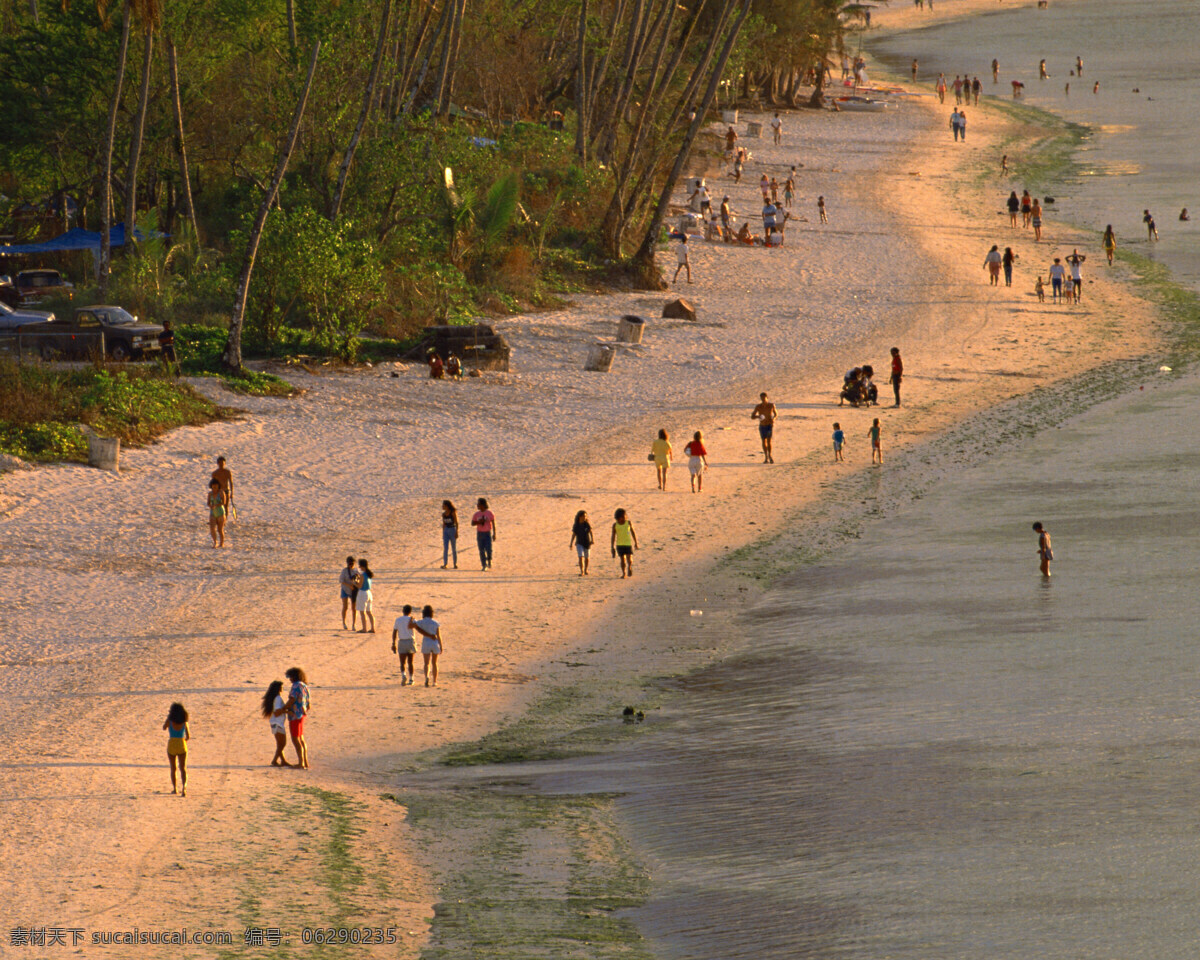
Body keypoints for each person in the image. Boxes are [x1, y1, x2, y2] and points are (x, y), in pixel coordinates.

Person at [284, 667, 310, 768]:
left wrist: (283, 708)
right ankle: (305, 762)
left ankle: (301, 763)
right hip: (302, 715)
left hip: (294, 715)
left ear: (294, 676)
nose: (289, 679)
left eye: (289, 677)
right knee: (301, 738)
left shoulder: (295, 686)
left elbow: (291, 700)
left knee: (295, 739)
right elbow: (309, 704)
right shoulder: (305, 686)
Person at [261, 680, 291, 766]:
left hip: (274, 723)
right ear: (278, 688)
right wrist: (287, 712)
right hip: (278, 723)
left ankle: (283, 760)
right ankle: (274, 760)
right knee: (282, 743)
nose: (283, 688)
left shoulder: (274, 698)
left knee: (279, 743)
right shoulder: (277, 698)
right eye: (281, 687)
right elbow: (277, 712)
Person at [163, 702, 190, 796]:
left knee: (173, 768)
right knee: (183, 768)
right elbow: (188, 736)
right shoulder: (184, 722)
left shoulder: (170, 721)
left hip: (172, 745)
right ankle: (184, 788)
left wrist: (168, 718)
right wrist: (184, 740)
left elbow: (164, 728)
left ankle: (175, 789)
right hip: (181, 744)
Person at [413, 605, 443, 686]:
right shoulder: (435, 623)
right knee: (434, 663)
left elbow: (414, 623)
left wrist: (413, 618)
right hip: (434, 643)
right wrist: (441, 646)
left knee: (426, 663)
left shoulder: (421, 622)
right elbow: (439, 636)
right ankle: (434, 681)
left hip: (426, 642)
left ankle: (427, 677)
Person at [392, 604, 417, 685]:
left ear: (403, 611)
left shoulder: (398, 620)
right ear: (410, 611)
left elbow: (395, 632)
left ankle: (403, 675)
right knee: (411, 662)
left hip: (402, 641)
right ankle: (411, 679)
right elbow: (417, 627)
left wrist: (393, 643)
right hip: (410, 641)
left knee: (402, 662)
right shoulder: (412, 619)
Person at [611, 508, 639, 579]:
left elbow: (633, 533)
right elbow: (613, 536)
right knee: (622, 560)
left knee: (629, 559)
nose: (624, 518)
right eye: (622, 517)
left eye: (625, 516)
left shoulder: (628, 523)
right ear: (618, 518)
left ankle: (629, 567)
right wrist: (612, 547)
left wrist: (636, 542)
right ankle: (624, 573)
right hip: (619, 545)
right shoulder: (615, 525)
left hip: (628, 544)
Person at [751, 392, 777, 463]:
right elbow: (752, 416)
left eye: (764, 398)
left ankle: (770, 455)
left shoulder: (771, 405)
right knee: (763, 441)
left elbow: (776, 414)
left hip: (769, 425)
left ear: (767, 398)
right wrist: (758, 416)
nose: (763, 400)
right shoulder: (758, 407)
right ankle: (766, 457)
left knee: (769, 441)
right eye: (761, 399)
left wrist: (773, 419)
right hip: (762, 425)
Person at [471, 497, 496, 570]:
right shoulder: (476, 514)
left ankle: (489, 560)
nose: (477, 506)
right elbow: (472, 523)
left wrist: (494, 534)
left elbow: (493, 523)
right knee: (481, 549)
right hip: (480, 533)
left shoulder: (489, 513)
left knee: (488, 548)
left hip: (487, 533)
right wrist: (479, 522)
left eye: (478, 504)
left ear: (483, 505)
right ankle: (484, 565)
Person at [570, 510, 594, 576]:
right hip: (579, 543)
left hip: (587, 542)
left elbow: (590, 532)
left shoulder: (586, 524)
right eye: (584, 516)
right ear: (580, 516)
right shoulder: (576, 525)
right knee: (581, 557)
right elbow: (574, 534)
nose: (585, 517)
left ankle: (586, 569)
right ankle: (582, 571)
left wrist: (592, 540)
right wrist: (571, 543)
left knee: (587, 558)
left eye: (586, 516)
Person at [355, 558, 375, 633]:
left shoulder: (363, 575)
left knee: (362, 612)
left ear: (362, 566)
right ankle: (372, 628)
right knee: (369, 612)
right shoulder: (370, 574)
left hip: (363, 593)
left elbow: (359, 586)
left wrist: (354, 582)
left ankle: (364, 628)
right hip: (369, 592)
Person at [339, 555, 358, 629]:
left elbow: (359, 580)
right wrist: (349, 585)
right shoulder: (344, 571)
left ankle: (354, 624)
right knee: (345, 606)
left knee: (354, 608)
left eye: (352, 564)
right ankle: (344, 623)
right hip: (345, 589)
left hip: (353, 591)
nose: (350, 565)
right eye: (349, 564)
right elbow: (341, 580)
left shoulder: (356, 571)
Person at [207, 479, 226, 548]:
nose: (215, 487)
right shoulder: (210, 494)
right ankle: (215, 542)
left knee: (220, 529)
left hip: (220, 512)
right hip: (213, 512)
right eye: (213, 486)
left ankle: (222, 543)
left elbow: (224, 502)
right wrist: (210, 506)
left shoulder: (221, 492)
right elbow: (208, 503)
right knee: (212, 528)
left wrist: (216, 505)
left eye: (216, 486)